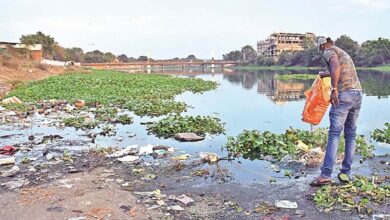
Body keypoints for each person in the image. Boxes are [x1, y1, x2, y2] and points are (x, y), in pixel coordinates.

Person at [310, 37, 363, 186]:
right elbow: (341, 69)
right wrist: (325, 74)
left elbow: (335, 65)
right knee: (350, 134)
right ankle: (345, 173)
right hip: (357, 94)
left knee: (334, 134)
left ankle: (325, 174)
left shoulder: (328, 51)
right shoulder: (341, 51)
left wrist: (334, 89)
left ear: (322, 45)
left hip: (344, 95)